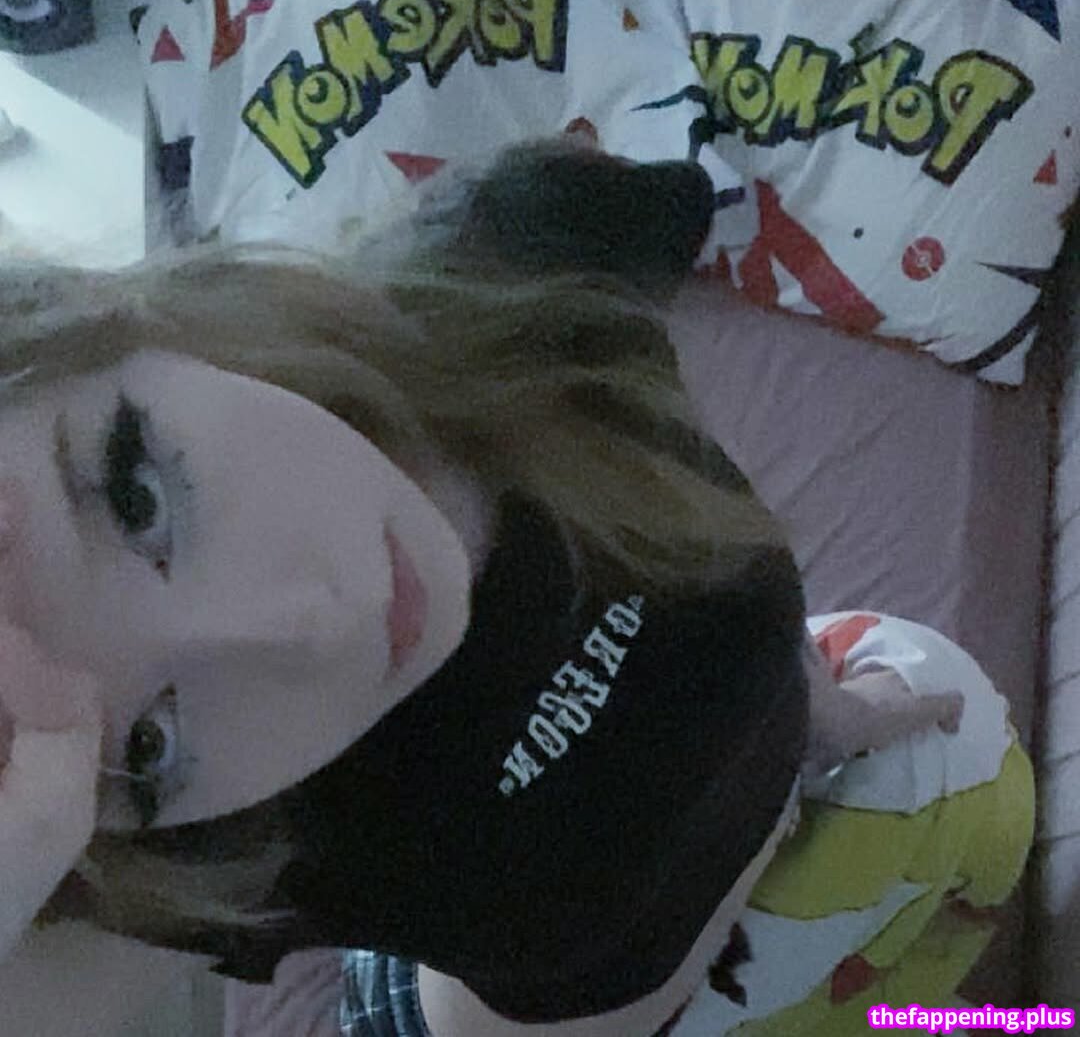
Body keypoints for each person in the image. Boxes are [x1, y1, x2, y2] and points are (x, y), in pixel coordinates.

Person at [0, 143, 1031, 1036]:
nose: (318, 620)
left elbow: (706, 538)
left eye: (137, 496)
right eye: (149, 746)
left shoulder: (520, 255)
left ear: (117, 318)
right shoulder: (211, 846)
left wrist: (817, 708)